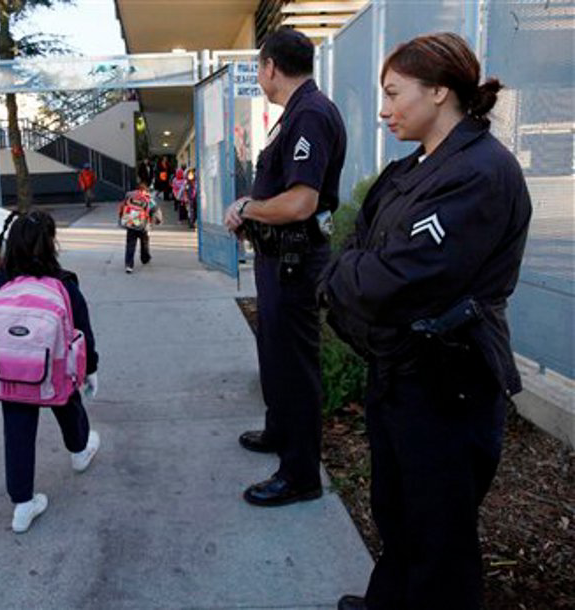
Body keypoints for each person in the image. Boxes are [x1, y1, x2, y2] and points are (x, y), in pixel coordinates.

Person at [321, 33, 531, 610]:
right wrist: (355, 271)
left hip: (447, 387)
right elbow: (358, 249)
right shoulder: (410, 169)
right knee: (398, 516)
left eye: (394, 94)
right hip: (401, 376)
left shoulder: (480, 173)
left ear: (439, 91)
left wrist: (351, 273)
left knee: (441, 540)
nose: (385, 110)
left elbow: (393, 282)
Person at [223, 27, 347, 507]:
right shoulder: (296, 114)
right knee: (274, 352)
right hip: (278, 259)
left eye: (259, 68)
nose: (259, 76)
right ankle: (280, 431)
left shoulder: (310, 116)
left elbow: (300, 201)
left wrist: (248, 209)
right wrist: (254, 210)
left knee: (295, 367)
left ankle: (300, 475)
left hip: (295, 260)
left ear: (271, 66)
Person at [0, 210, 101, 534]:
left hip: (11, 374)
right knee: (68, 403)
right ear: (51, 245)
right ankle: (79, 451)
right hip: (54, 374)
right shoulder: (65, 285)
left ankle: (22, 504)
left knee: (17, 430)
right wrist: (90, 368)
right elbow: (83, 333)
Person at [118, 181, 161, 274]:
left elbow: (122, 207)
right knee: (144, 242)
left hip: (131, 223)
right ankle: (145, 258)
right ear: (145, 190)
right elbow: (156, 210)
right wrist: (158, 220)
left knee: (130, 244)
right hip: (142, 225)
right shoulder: (148, 199)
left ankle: (129, 265)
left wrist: (121, 217)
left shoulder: (129, 196)